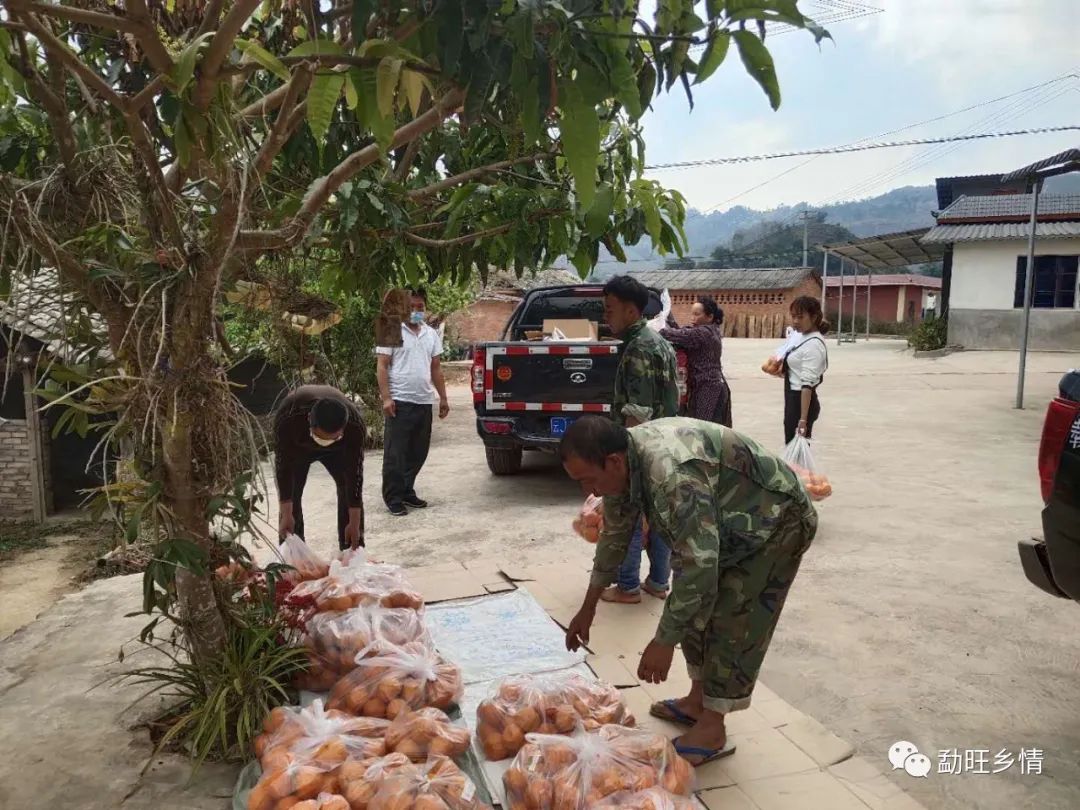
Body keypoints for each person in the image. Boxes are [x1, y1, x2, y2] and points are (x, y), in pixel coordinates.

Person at [560, 415, 817, 765]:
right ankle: (698, 701)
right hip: (725, 523)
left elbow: (700, 569)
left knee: (732, 617)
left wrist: (663, 640)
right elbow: (616, 534)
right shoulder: (621, 466)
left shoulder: (672, 475)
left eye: (588, 479)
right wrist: (588, 606)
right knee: (696, 604)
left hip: (775, 521)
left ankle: (713, 727)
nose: (588, 491)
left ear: (613, 462)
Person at [600, 275, 679, 604]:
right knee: (660, 515)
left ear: (631, 311)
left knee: (629, 517)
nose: (605, 316)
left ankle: (628, 586)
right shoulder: (657, 340)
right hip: (666, 445)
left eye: (610, 309)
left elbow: (637, 413)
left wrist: (622, 463)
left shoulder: (639, 349)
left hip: (643, 448)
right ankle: (659, 582)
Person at [376, 288, 450, 517]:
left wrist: (443, 398)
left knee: (418, 451)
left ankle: (407, 490)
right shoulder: (391, 328)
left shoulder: (431, 334)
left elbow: (436, 368)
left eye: (421, 307)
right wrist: (387, 397)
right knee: (395, 453)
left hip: (423, 401)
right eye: (412, 307)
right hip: (400, 401)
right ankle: (393, 497)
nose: (417, 311)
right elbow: (382, 365)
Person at [274, 385, 366, 550]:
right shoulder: (288, 418)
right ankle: (293, 555)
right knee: (292, 493)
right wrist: (286, 513)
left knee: (346, 486)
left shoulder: (354, 426)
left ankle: (351, 551)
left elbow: (355, 475)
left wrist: (354, 523)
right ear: (310, 420)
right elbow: (283, 468)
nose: (325, 443)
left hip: (338, 452)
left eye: (334, 437)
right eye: (321, 437)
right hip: (299, 448)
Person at [660, 296, 732, 427]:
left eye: (697, 314)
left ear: (709, 317)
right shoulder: (712, 330)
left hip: (708, 387)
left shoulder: (703, 333)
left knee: (702, 427)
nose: (692, 317)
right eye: (692, 314)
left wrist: (657, 327)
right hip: (714, 385)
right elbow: (684, 332)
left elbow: (676, 335)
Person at [783, 296, 830, 444]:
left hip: (800, 402)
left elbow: (807, 385)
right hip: (793, 398)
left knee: (796, 454)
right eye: (794, 316)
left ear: (814, 317)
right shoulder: (802, 337)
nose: (796, 321)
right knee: (793, 452)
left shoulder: (814, 344)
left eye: (801, 317)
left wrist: (803, 420)